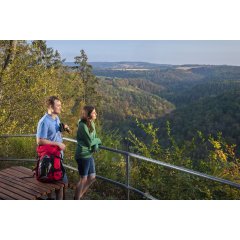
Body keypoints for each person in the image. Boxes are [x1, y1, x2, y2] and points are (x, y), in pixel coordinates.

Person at [36, 96, 69, 200]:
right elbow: (40, 140)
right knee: (62, 183)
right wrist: (58, 144)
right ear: (51, 106)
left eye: (60, 105)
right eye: (58, 105)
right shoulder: (44, 121)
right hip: (50, 157)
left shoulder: (56, 118)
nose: (60, 107)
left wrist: (64, 127)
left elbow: (54, 132)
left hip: (58, 156)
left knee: (57, 183)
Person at [74, 106, 101, 200]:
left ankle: (79, 196)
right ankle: (76, 199)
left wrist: (96, 145)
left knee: (92, 177)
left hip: (89, 154)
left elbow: (95, 136)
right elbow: (89, 142)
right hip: (82, 155)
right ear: (88, 115)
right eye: (94, 112)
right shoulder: (82, 125)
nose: (96, 114)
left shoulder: (92, 123)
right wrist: (98, 141)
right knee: (83, 179)